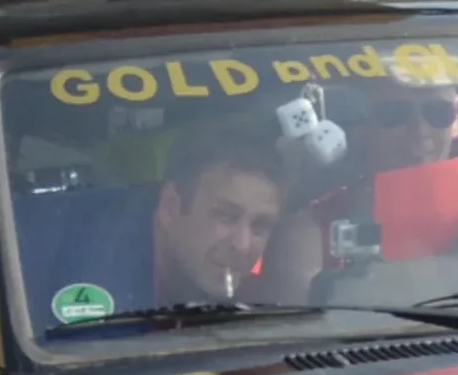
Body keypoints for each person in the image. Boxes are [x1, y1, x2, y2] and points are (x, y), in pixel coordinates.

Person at [261, 75, 458, 297]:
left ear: (457, 122)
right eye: (394, 115)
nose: (420, 132)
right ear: (363, 127)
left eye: (437, 112)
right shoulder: (312, 233)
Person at [31, 120, 290, 327]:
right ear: (170, 207)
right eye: (225, 216)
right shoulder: (88, 271)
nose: (242, 246)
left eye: (260, 226)